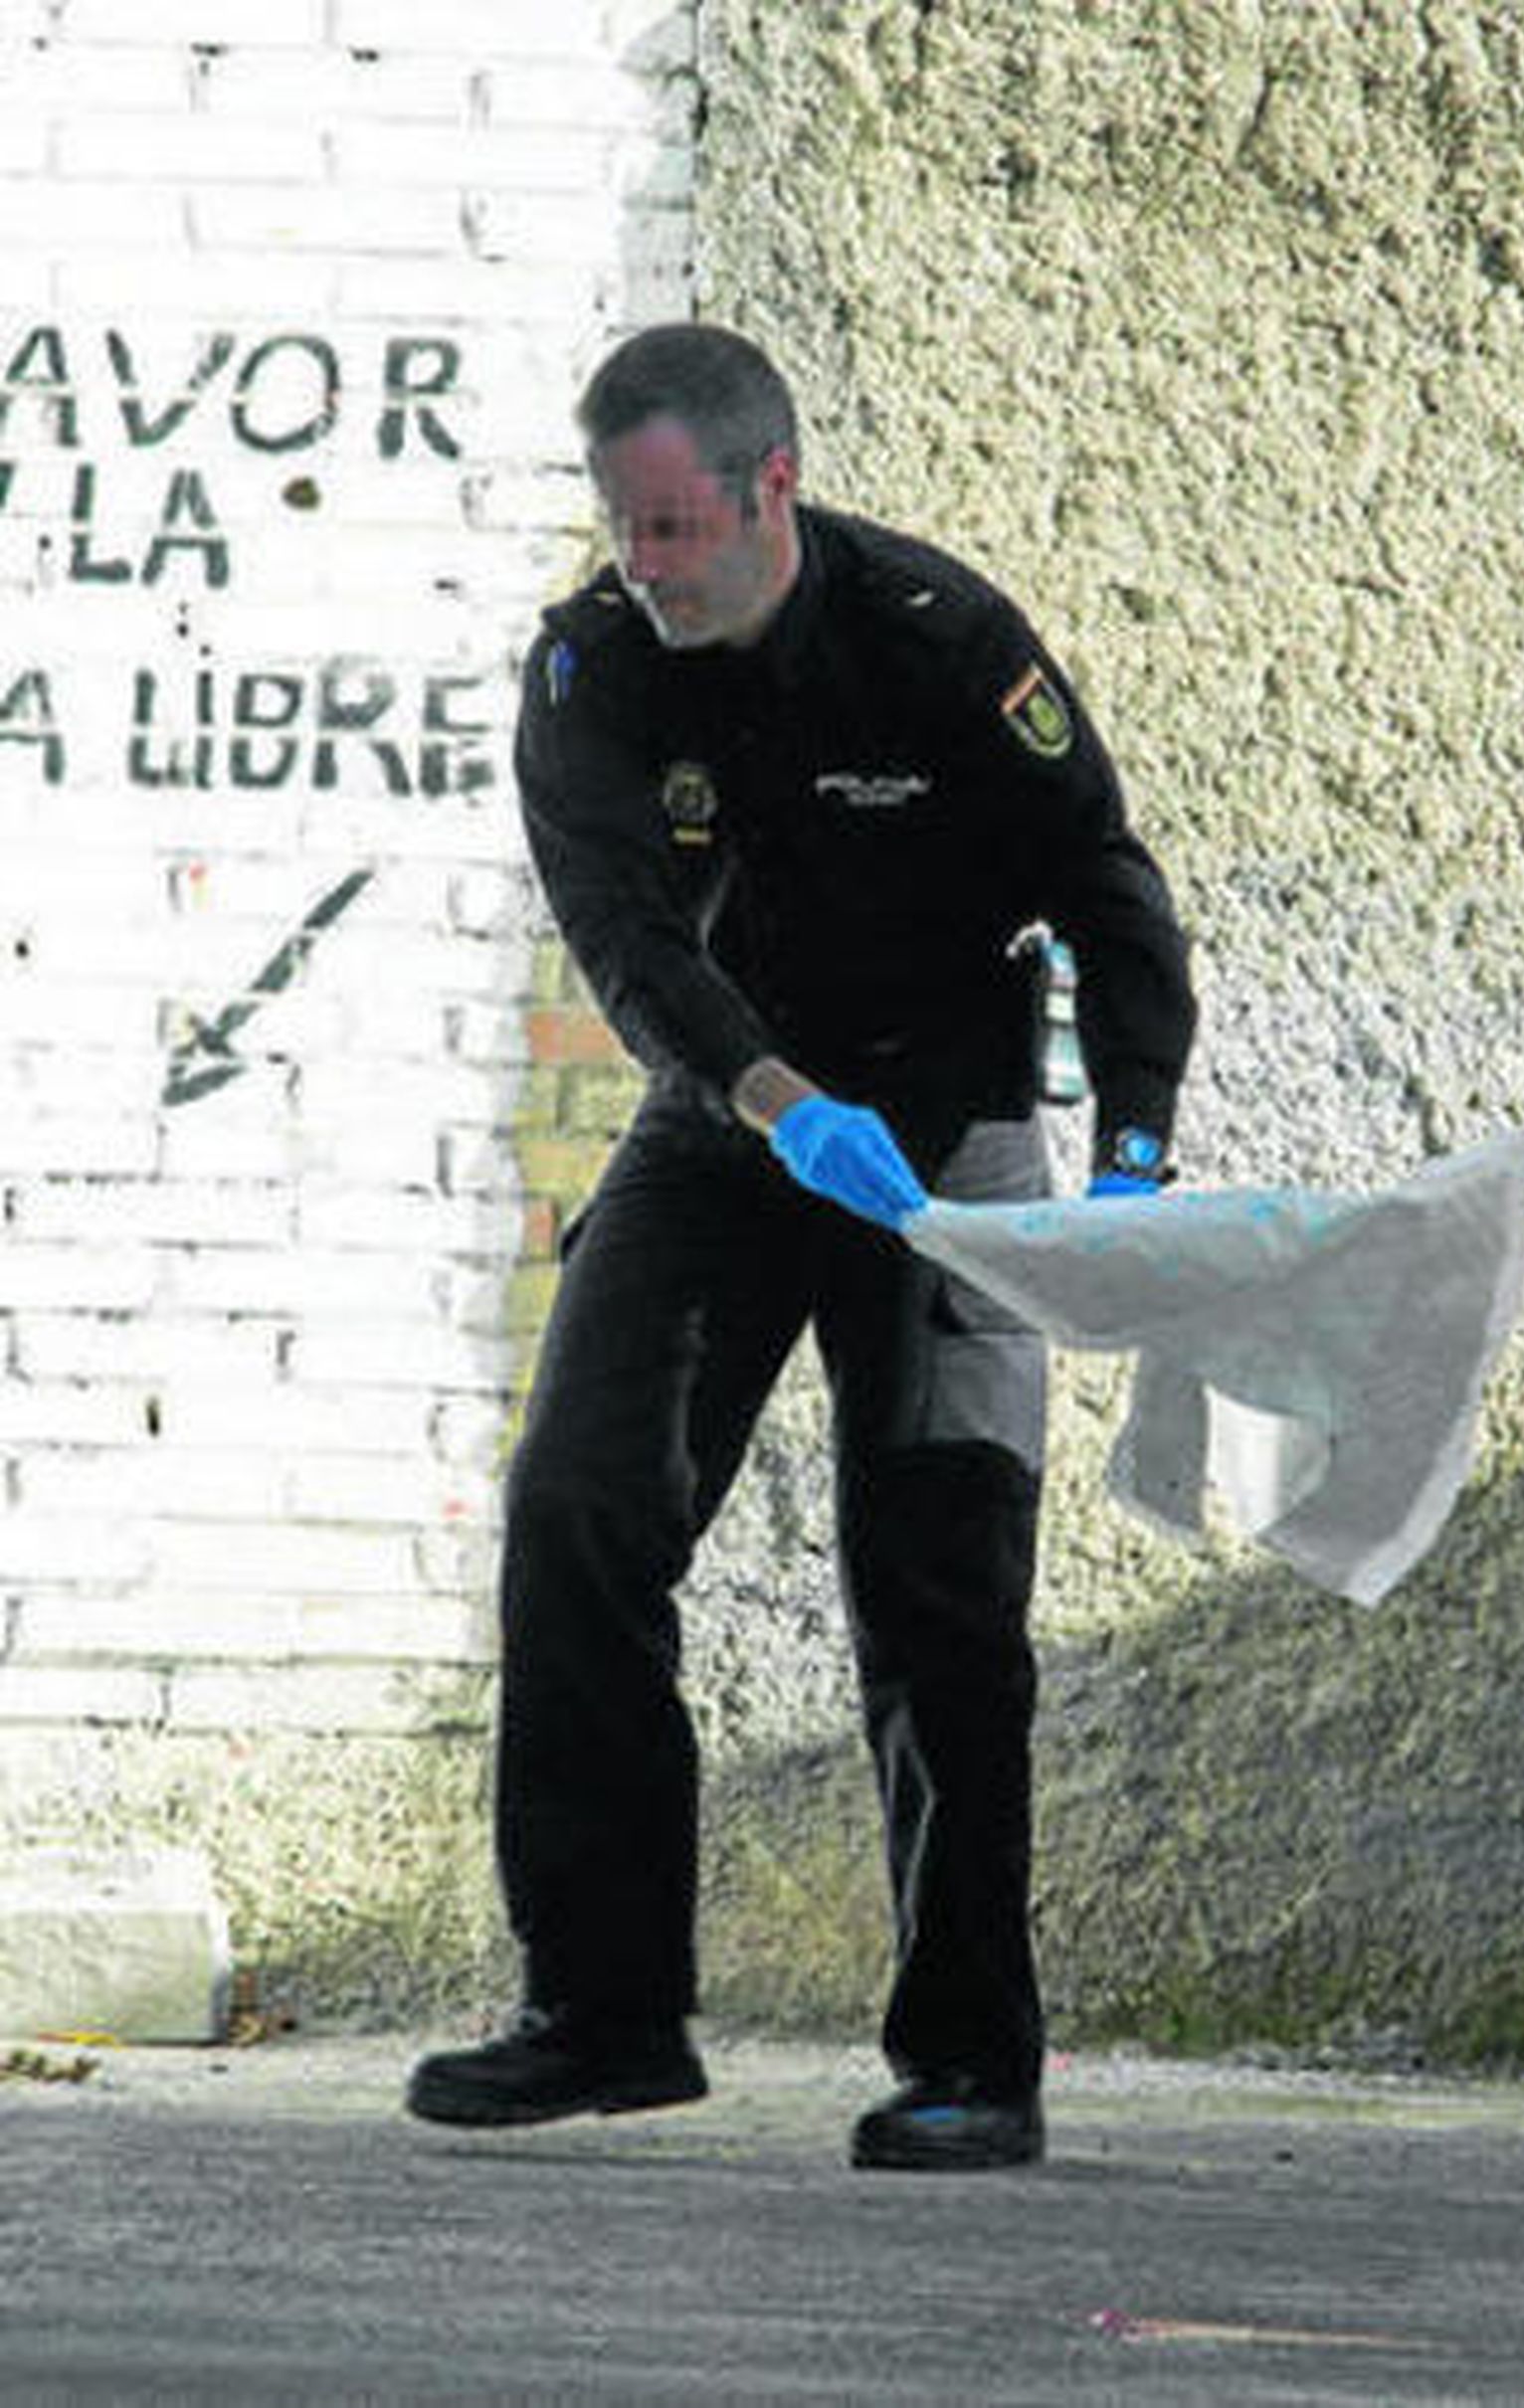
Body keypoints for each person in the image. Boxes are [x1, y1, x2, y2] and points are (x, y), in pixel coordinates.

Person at [407, 322, 1197, 2170]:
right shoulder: (594, 668)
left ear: (772, 486)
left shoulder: (937, 638)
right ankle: (603, 2014)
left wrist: (1132, 1160)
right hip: (732, 1121)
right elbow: (628, 944)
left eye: (675, 526)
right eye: (622, 526)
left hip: (946, 1145)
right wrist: (775, 1101)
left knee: (942, 1576)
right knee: (579, 1508)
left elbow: (1110, 889)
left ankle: (970, 2060)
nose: (644, 565)